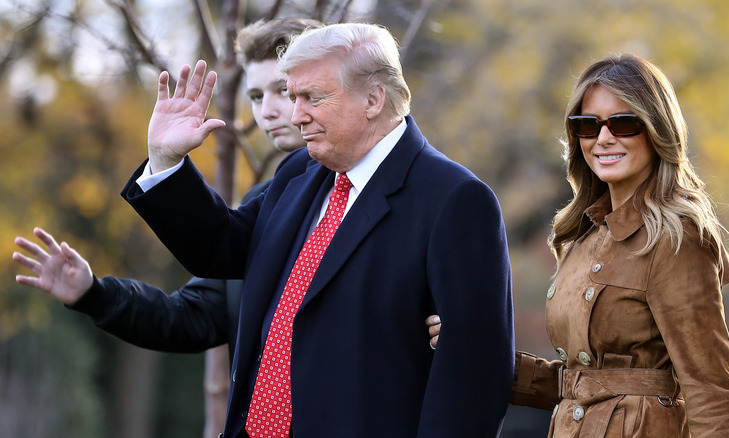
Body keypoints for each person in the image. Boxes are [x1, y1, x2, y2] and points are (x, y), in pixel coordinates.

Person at [120, 22, 514, 438]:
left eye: (312, 98)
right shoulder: (300, 171)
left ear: (374, 99)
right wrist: (165, 161)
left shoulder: (455, 200)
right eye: (294, 97)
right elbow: (223, 247)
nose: (296, 115)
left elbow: (473, 383)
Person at [427, 53, 729, 437]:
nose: (604, 138)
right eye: (587, 125)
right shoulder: (583, 237)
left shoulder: (676, 239)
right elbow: (582, 385)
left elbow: (711, 390)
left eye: (624, 123)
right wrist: (477, 353)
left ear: (656, 129)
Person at [12, 17, 323, 363]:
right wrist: (93, 293)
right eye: (255, 95)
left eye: (282, 90)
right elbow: (192, 316)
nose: (266, 111)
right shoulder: (261, 204)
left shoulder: (361, 190)